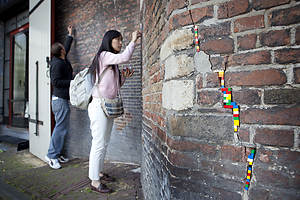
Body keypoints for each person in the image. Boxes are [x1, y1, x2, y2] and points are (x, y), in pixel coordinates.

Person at [88, 30, 141, 193]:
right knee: (98, 143)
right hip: (98, 106)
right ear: (108, 41)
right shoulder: (104, 55)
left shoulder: (112, 63)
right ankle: (94, 181)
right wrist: (133, 41)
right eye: (117, 40)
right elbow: (125, 57)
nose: (120, 43)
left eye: (121, 40)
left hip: (107, 105)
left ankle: (98, 172)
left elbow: (114, 88)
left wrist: (123, 77)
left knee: (103, 142)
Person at [45, 25, 74, 169]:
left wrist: (70, 35)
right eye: (63, 47)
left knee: (62, 128)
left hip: (61, 100)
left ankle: (57, 153)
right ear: (60, 51)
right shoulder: (56, 64)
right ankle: (51, 156)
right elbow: (55, 82)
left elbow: (67, 46)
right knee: (60, 129)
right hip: (59, 100)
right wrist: (72, 82)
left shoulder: (62, 58)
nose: (65, 47)